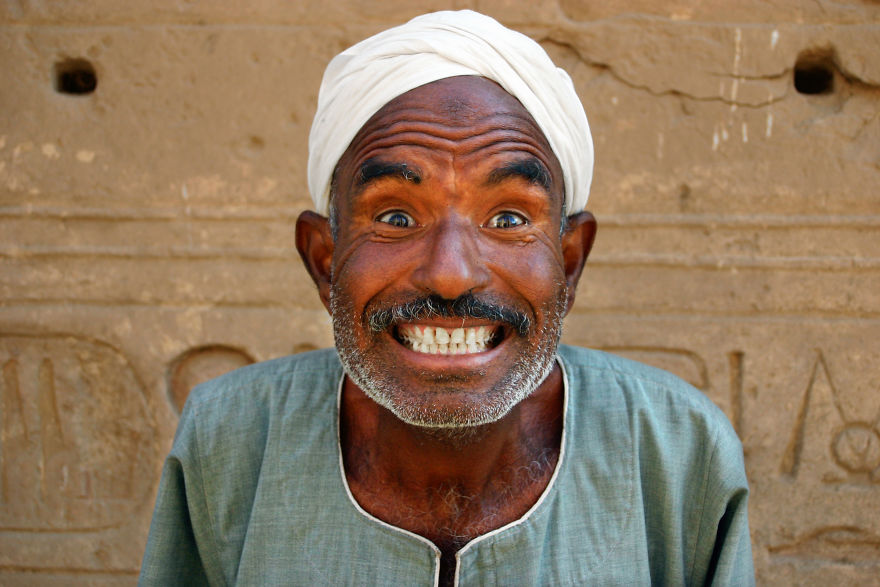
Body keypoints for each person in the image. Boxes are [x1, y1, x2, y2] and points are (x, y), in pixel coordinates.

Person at [140, 10, 754, 586]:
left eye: (509, 217)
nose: (451, 276)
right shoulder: (231, 439)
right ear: (324, 260)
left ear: (569, 263)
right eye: (398, 218)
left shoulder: (678, 453)